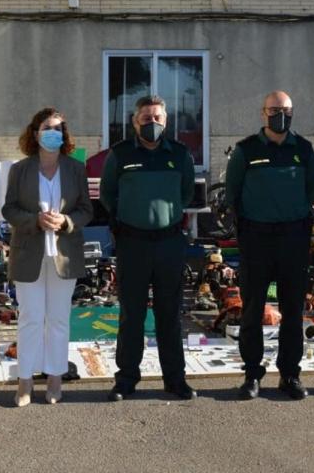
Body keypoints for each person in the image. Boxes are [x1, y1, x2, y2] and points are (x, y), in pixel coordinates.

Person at [100, 95, 196, 401]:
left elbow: (186, 195)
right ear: (134, 121)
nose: (151, 123)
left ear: (165, 121)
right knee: (132, 315)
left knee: (170, 315)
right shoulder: (120, 154)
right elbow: (107, 195)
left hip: (169, 243)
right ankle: (126, 379)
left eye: (157, 118)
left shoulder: (180, 155)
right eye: (145, 118)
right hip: (133, 244)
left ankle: (175, 379)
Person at [224, 91, 314, 400]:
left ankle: (290, 374)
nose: (281, 115)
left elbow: (310, 191)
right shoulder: (246, 150)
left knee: (292, 311)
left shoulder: (303, 149)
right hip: (257, 240)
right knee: (253, 309)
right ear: (263, 113)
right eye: (275, 109)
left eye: (286, 110)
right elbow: (233, 194)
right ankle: (252, 374)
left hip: (293, 240)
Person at [2, 108, 93, 406]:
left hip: (64, 256)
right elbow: (9, 210)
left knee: (57, 320)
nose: (52, 132)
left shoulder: (76, 169)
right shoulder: (20, 169)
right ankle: (25, 381)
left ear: (63, 135)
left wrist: (65, 222)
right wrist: (34, 220)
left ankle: (55, 378)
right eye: (46, 127)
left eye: (58, 128)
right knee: (30, 319)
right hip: (29, 253)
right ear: (35, 132)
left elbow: (86, 211)